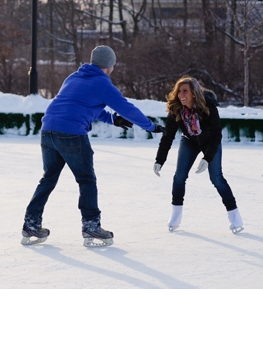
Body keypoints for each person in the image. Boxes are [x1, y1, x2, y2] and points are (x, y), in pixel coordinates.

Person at [21, 45, 164, 247]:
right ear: (110, 66)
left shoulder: (73, 78)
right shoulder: (103, 84)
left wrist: (113, 120)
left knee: (48, 179)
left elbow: (82, 105)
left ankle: (31, 223)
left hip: (48, 131)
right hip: (72, 134)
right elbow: (128, 109)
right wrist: (151, 126)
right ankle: (91, 225)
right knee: (86, 179)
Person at [153, 76, 243, 234]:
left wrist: (207, 158)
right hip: (189, 140)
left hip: (210, 142)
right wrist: (159, 159)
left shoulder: (208, 107)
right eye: (179, 91)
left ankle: (235, 217)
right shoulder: (176, 109)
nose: (181, 94)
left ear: (193, 93)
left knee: (217, 178)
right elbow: (168, 137)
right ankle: (175, 216)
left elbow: (216, 136)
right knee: (179, 177)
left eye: (185, 91)